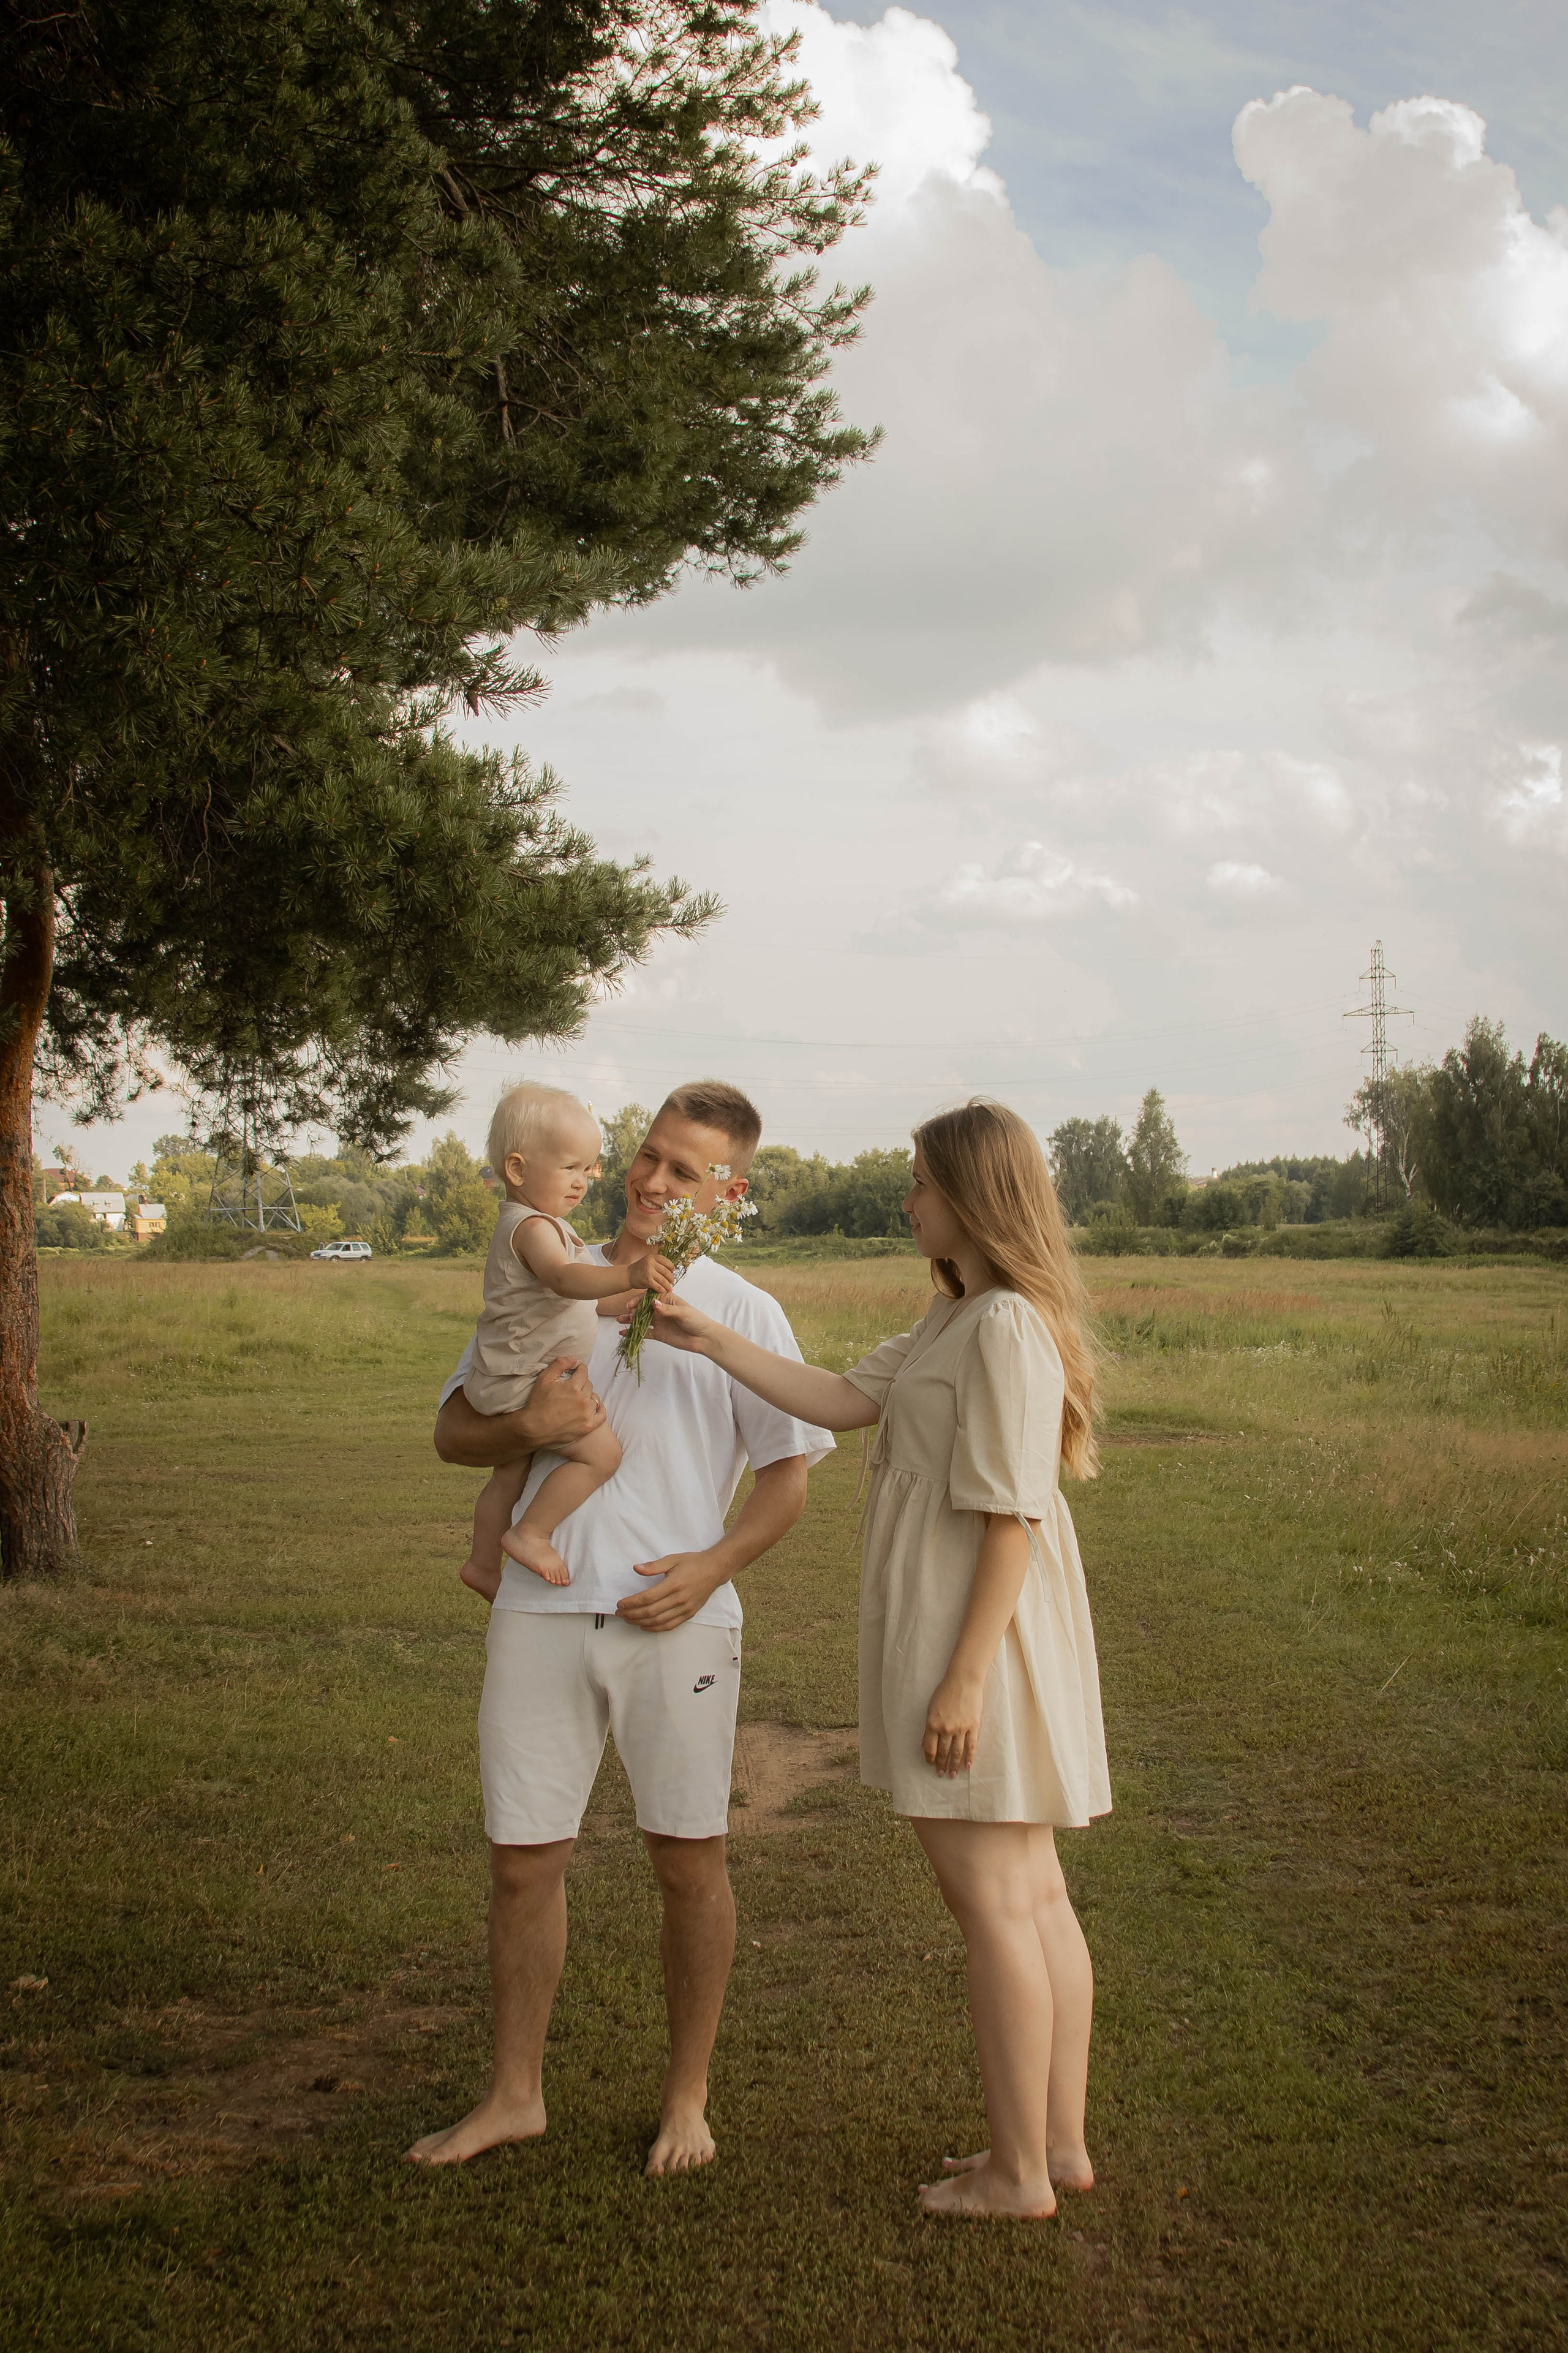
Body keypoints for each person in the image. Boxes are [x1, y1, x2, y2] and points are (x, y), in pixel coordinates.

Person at [647, 1097, 1110, 2219]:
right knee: (1032, 1892)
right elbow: (842, 1399)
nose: (908, 1200)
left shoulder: (1002, 1327)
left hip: (978, 1637)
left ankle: (1017, 2174)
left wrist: (964, 1679)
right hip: (970, 1629)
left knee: (997, 1902)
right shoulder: (957, 1314)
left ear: (973, 1196)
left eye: (920, 1182)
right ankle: (1054, 2147)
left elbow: (1012, 1520)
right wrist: (703, 1333)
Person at [408, 1080, 833, 2178]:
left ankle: (687, 2099)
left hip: (676, 1624)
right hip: (539, 1608)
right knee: (521, 1863)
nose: (651, 1180)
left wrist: (711, 1569)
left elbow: (787, 1481)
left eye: (686, 1171)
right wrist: (529, 1421)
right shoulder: (552, 1271)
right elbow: (454, 1430)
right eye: (647, 1155)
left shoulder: (744, 1309)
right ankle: (514, 2096)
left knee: (689, 1862)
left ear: (729, 1192)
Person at [459, 1082, 674, 1600]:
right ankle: (530, 1533)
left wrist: (624, 1300)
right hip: (526, 1380)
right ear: (517, 1170)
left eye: (590, 1168)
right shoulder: (534, 1229)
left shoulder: (541, 1224)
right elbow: (565, 1279)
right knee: (602, 1456)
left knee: (510, 1471)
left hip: (506, 1375)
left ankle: (483, 1562)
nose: (583, 1181)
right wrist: (630, 1274)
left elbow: (578, 1298)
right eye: (570, 1167)